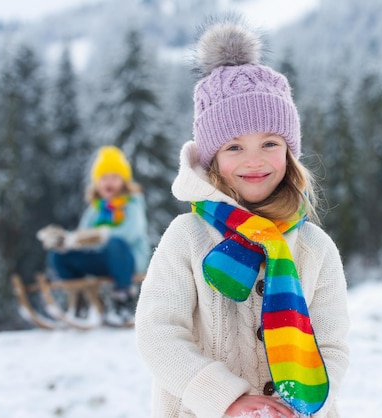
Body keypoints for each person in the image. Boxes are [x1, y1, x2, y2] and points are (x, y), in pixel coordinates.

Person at [135, 19, 349, 418]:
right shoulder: (187, 238)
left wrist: (299, 408)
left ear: (289, 153)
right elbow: (158, 334)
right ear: (212, 157)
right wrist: (225, 399)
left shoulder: (316, 248)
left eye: (270, 143)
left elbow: (332, 346)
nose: (254, 160)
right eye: (234, 146)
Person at [39, 145, 150, 326]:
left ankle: (123, 300)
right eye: (104, 177)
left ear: (124, 181)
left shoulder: (131, 204)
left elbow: (132, 231)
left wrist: (101, 236)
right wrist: (69, 242)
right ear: (97, 182)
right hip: (100, 260)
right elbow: (83, 234)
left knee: (116, 243)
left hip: (126, 259)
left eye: (115, 177)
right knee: (59, 255)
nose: (109, 182)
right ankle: (80, 298)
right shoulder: (95, 209)